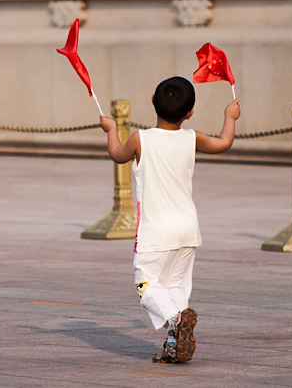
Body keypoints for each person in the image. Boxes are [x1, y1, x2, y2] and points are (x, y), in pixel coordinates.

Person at [100, 76, 240, 363]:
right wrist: (230, 116)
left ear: (153, 99)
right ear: (189, 112)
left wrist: (111, 129)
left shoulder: (141, 138)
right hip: (187, 229)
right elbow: (225, 142)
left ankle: (176, 323)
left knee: (147, 284)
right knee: (176, 286)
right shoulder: (192, 137)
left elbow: (117, 154)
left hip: (155, 231)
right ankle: (175, 344)